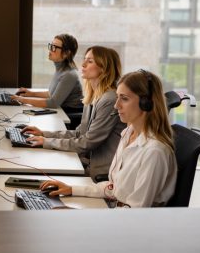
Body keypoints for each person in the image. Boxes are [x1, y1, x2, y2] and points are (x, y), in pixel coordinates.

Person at [39, 70, 177, 208]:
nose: (116, 105)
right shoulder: (128, 133)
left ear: (146, 103)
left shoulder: (154, 152)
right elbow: (113, 188)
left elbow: (136, 212)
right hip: (113, 212)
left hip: (127, 224)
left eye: (124, 98)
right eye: (117, 97)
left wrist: (79, 215)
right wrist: (71, 189)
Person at [20, 46, 126, 180]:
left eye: (90, 61)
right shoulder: (93, 96)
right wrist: (43, 134)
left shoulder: (109, 100)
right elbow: (80, 133)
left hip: (101, 173)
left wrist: (46, 141)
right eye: (84, 60)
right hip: (86, 162)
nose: (83, 64)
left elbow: (87, 142)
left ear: (104, 68)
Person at [12, 33, 83, 116]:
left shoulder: (69, 75)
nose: (50, 50)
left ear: (66, 53)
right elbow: (51, 94)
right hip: (61, 111)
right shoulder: (61, 70)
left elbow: (53, 103)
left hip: (69, 115)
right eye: (51, 46)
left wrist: (22, 99)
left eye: (54, 47)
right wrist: (31, 94)